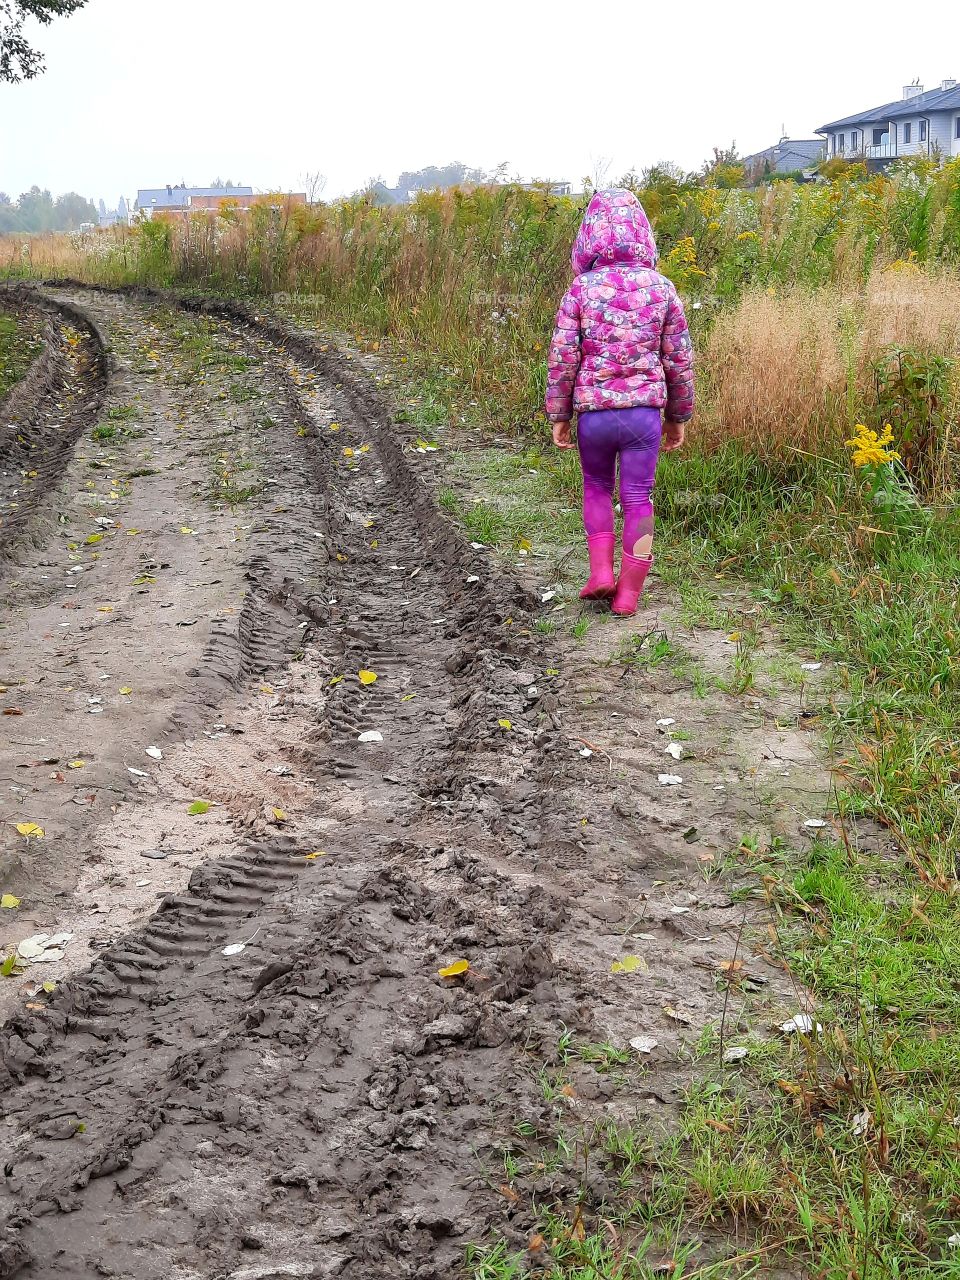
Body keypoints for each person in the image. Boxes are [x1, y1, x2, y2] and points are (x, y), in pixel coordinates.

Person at [545, 188, 694, 616]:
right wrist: (678, 416)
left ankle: (599, 574)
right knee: (638, 499)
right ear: (643, 232)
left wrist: (559, 413)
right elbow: (679, 359)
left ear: (588, 235)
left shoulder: (580, 290)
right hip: (644, 417)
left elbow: (563, 355)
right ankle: (628, 593)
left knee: (596, 488)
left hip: (594, 416)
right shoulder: (663, 289)